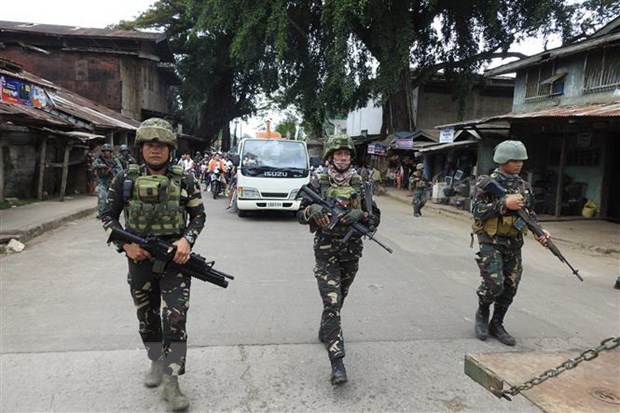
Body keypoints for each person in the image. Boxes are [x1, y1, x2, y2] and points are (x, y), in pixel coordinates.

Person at [100, 118, 205, 412]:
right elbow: (107, 216)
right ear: (141, 148)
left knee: (176, 319)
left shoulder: (184, 179)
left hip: (176, 259)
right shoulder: (125, 179)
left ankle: (171, 382)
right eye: (150, 144)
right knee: (146, 318)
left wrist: (187, 240)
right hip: (140, 260)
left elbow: (199, 216)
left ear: (170, 149)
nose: (155, 150)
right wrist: (126, 245)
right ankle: (156, 360)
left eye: (161, 145)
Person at [297, 133, 381, 385]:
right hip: (325, 252)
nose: (342, 158)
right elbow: (300, 215)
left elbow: (375, 219)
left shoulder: (361, 183)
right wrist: (313, 210)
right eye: (338, 154)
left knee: (339, 297)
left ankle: (326, 328)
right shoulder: (318, 181)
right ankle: (337, 363)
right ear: (330, 157)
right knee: (332, 302)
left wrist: (361, 216)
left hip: (351, 252)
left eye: (346, 154)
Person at [471, 140, 549, 347]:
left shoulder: (524, 186)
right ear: (502, 160)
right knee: (494, 284)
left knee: (510, 286)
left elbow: (529, 213)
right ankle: (482, 313)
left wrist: (539, 231)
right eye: (514, 160)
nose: (519, 164)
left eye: (521, 160)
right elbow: (476, 210)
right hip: (491, 241)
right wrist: (503, 203)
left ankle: (497, 323)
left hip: (514, 242)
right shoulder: (486, 183)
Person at [91, 143, 123, 218]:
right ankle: (102, 213)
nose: (106, 153)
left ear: (110, 152)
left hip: (112, 181)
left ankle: (112, 213)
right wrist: (101, 165)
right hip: (102, 180)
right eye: (104, 151)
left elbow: (120, 170)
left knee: (113, 198)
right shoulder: (99, 159)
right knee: (102, 196)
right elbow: (93, 165)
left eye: (107, 151)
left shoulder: (115, 160)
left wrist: (111, 170)